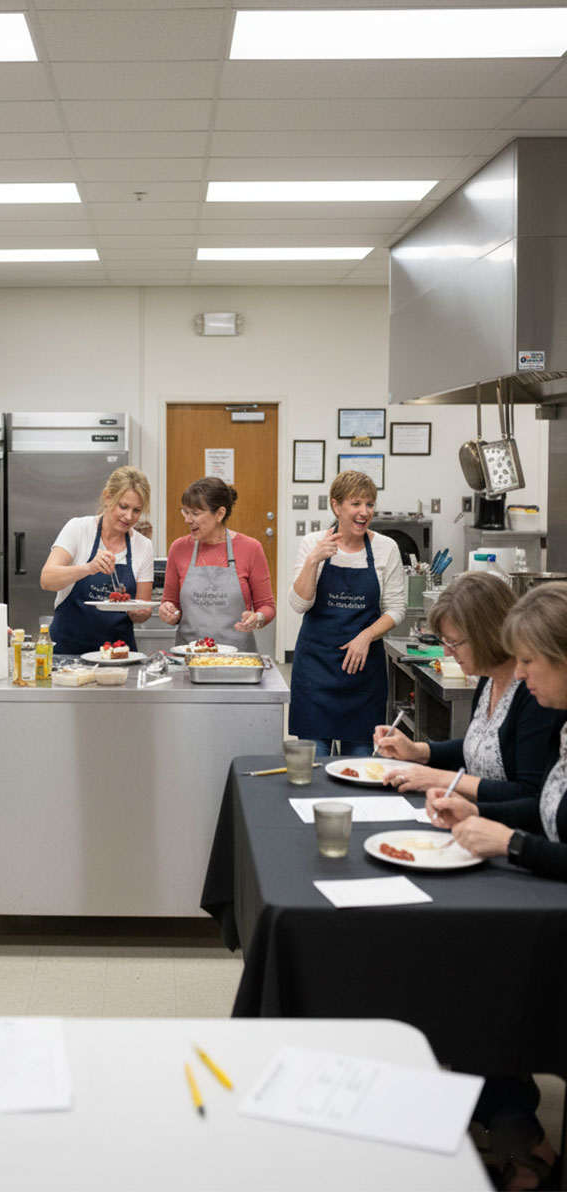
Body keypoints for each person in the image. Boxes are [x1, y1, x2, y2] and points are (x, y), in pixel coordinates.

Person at [427, 582, 567, 1191]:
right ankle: (495, 1114)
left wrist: (505, 840)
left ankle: (518, 1131)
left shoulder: (543, 709)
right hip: (539, 880)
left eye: (532, 661)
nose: (525, 672)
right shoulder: (552, 716)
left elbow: (534, 806)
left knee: (472, 975)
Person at [375, 573, 562, 802]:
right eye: (445, 642)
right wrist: (417, 751)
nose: (447, 652)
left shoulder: (536, 691)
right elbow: (480, 750)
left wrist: (437, 779)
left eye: (454, 643)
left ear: (486, 635)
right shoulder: (488, 677)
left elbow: (530, 795)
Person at [288, 470, 406, 757]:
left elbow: (396, 608)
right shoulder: (313, 543)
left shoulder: (385, 548)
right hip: (316, 672)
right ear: (336, 506)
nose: (364, 512)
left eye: (369, 504)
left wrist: (366, 636)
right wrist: (314, 560)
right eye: (355, 504)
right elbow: (299, 604)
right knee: (314, 770)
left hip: (363, 677)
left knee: (361, 767)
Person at [40, 466, 153, 656]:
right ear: (108, 498)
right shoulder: (78, 529)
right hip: (68, 654)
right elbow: (47, 579)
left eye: (137, 510)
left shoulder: (143, 546)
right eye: (123, 507)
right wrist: (88, 568)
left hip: (119, 655)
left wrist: (140, 613)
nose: (129, 517)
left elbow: (143, 607)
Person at [158, 477, 275, 653]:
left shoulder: (251, 548)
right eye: (185, 512)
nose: (188, 520)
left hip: (237, 657)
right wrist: (167, 612)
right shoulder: (179, 549)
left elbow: (267, 607)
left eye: (195, 513)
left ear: (219, 514)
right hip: (189, 655)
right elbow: (171, 604)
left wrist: (257, 618)